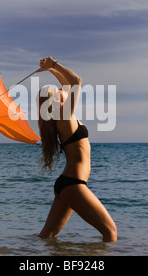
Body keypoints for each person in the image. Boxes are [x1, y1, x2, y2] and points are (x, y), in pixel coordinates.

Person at [36, 57, 117, 242]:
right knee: (110, 233)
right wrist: (54, 64)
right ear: (55, 100)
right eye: (58, 91)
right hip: (73, 184)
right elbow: (76, 82)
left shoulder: (64, 117)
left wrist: (51, 70)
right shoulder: (64, 117)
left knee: (47, 237)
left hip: (68, 184)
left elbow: (68, 85)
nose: (62, 89)